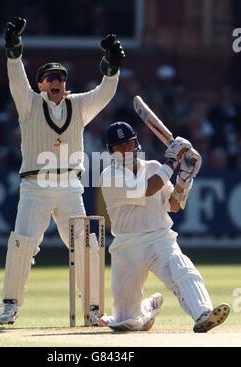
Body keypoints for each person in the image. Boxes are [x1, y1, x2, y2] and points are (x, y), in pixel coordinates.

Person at [0, 17, 125, 325]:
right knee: (22, 243)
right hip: (35, 187)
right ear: (41, 85)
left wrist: (111, 67)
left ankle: (93, 310)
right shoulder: (28, 104)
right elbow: (17, 77)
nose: (57, 82)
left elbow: (104, 93)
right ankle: (10, 304)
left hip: (70, 188)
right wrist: (14, 49)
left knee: (87, 247)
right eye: (50, 78)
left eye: (61, 78)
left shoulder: (78, 105)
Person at [99, 121, 230, 332]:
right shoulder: (109, 176)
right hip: (127, 246)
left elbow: (174, 204)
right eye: (120, 146)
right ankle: (148, 307)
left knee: (181, 267)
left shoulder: (152, 167)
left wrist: (186, 177)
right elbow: (148, 189)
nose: (126, 150)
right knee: (126, 322)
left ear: (137, 144)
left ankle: (203, 313)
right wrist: (172, 161)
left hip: (158, 236)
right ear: (111, 151)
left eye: (130, 144)